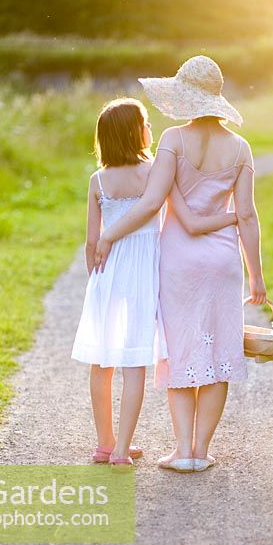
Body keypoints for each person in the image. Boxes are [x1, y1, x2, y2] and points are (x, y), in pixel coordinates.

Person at [94, 57, 267, 472]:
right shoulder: (240, 148)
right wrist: (257, 277)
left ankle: (181, 449)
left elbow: (153, 202)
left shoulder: (173, 139)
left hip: (177, 261)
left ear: (186, 97)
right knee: (219, 353)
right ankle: (202, 451)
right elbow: (247, 215)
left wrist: (109, 234)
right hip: (222, 260)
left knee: (180, 352)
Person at [72, 96, 238, 468]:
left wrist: (96, 278)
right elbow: (178, 214)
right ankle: (120, 451)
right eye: (146, 123)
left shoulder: (97, 180)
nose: (151, 129)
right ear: (135, 132)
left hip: (107, 273)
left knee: (102, 361)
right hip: (145, 271)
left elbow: (90, 240)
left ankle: (105, 443)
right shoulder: (153, 173)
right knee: (135, 363)